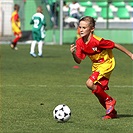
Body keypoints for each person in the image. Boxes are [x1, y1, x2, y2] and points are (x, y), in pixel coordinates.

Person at [70, 16, 133, 120]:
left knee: (89, 83)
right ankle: (111, 113)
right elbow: (79, 61)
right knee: (98, 92)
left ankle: (109, 100)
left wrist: (130, 54)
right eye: (80, 27)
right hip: (96, 66)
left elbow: (115, 45)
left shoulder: (98, 41)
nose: (81, 30)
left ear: (92, 29)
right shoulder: (79, 42)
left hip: (106, 63)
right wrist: (73, 53)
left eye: (84, 28)